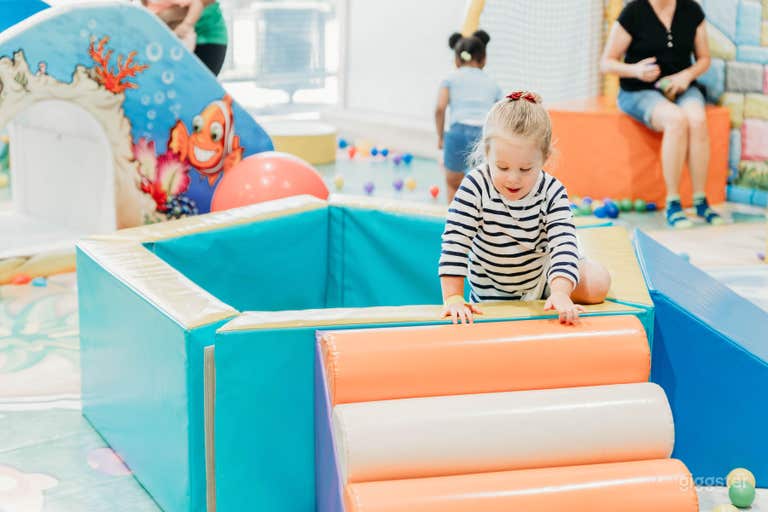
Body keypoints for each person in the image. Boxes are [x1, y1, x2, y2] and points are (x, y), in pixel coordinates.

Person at [439, 91, 611, 325]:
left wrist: (560, 292)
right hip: (491, 290)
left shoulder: (552, 191)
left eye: (525, 169)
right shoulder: (475, 187)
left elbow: (562, 242)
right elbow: (455, 243)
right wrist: (454, 298)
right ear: (487, 153)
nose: (513, 179)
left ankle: (571, 271)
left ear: (545, 158)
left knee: (598, 283)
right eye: (502, 167)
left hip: (541, 281)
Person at [600, 0, 721, 228]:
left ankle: (700, 201)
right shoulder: (633, 11)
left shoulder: (691, 10)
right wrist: (635, 70)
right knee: (676, 120)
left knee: (697, 119)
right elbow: (606, 64)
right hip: (638, 91)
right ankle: (673, 203)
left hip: (681, 87)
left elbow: (704, 59)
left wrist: (686, 76)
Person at [435, 30, 502, 203]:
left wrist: (441, 137)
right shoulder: (492, 83)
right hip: (483, 135)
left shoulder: (449, 79)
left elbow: (439, 108)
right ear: (484, 59)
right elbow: (501, 114)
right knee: (484, 187)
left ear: (457, 59)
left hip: (457, 134)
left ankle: (453, 224)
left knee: (453, 185)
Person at [142, 0, 228, 76]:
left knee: (197, 87)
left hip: (205, 37)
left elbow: (198, 4)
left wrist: (184, 24)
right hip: (162, 41)